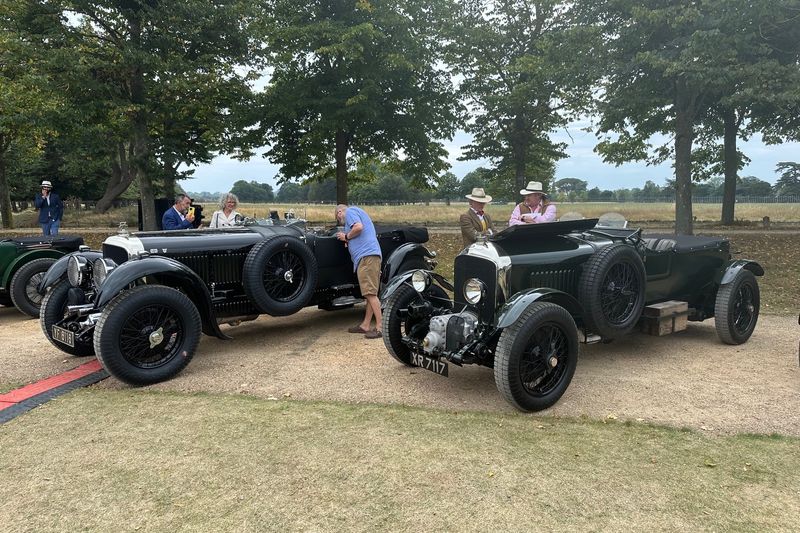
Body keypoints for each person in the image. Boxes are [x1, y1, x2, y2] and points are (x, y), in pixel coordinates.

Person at [335, 204, 383, 339]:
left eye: (338, 218)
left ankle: (380, 328)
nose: (340, 220)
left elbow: (358, 228)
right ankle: (365, 325)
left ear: (339, 212)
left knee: (370, 294)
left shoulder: (349, 211)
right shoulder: (357, 212)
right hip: (370, 256)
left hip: (367, 257)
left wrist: (347, 236)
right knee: (370, 293)